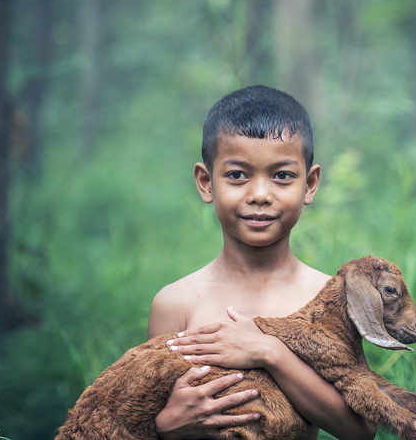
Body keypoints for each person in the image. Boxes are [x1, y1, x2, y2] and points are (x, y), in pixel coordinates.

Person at [147, 85, 376, 440]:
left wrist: (270, 352)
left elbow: (360, 430)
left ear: (310, 184)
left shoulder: (329, 298)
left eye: (282, 175)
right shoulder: (175, 303)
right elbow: (141, 413)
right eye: (237, 175)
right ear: (206, 183)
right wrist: (165, 428)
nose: (259, 195)